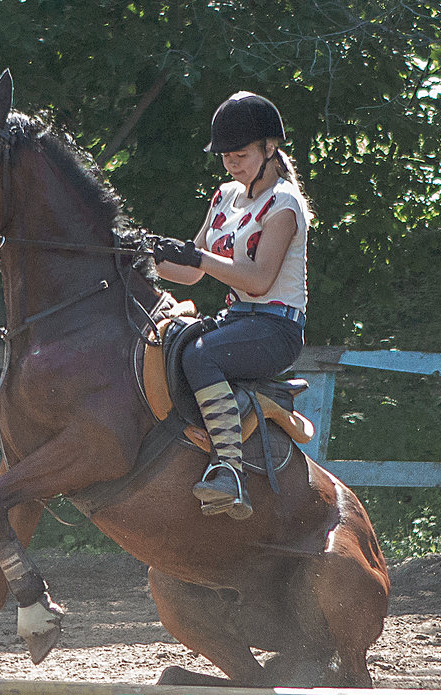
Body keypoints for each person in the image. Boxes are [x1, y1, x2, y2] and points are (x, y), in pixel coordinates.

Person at [153, 91, 311, 520]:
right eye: (225, 156)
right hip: (237, 320)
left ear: (270, 148)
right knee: (170, 347)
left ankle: (229, 470)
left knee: (202, 357)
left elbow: (258, 281)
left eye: (240, 155)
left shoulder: (285, 204)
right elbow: (190, 273)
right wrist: (141, 257)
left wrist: (198, 256)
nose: (231, 164)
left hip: (276, 328)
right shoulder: (224, 196)